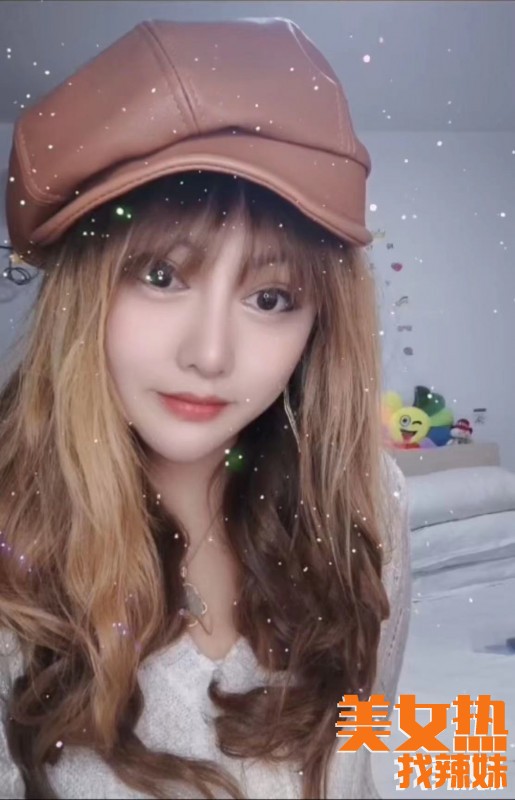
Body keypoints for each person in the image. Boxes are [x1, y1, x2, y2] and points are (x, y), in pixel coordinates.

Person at [0, 17, 411, 800]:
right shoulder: (14, 540)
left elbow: (362, 756)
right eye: (160, 276)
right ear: (83, 289)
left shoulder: (365, 504)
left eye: (270, 297)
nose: (211, 354)